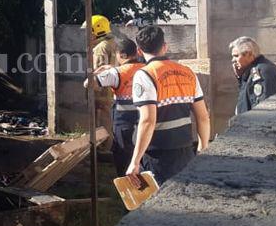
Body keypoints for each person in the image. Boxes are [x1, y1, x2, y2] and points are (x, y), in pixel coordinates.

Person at [127, 26, 211, 187]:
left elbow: (147, 121)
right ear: (165, 46)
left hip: (157, 154)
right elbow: (203, 116)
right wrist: (203, 148)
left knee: (157, 202)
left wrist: (135, 161)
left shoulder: (145, 75)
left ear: (138, 50)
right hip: (185, 150)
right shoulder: (188, 72)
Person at [90, 39, 144, 177]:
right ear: (136, 52)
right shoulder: (146, 68)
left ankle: (125, 183)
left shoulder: (117, 72)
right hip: (145, 118)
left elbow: (88, 84)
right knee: (141, 150)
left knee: (122, 153)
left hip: (124, 120)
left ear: (123, 55)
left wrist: (100, 70)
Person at [230, 36, 276, 115]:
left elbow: (261, 110)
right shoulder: (256, 70)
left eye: (236, 56)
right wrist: (241, 78)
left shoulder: (261, 73)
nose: (233, 60)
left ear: (249, 54)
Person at [85, 15, 117, 145]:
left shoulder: (100, 48)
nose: (87, 34)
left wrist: (90, 87)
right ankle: (108, 147)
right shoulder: (112, 43)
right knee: (108, 119)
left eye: (89, 30)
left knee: (100, 121)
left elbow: (99, 71)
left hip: (101, 93)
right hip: (111, 90)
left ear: (97, 31)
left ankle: (103, 149)